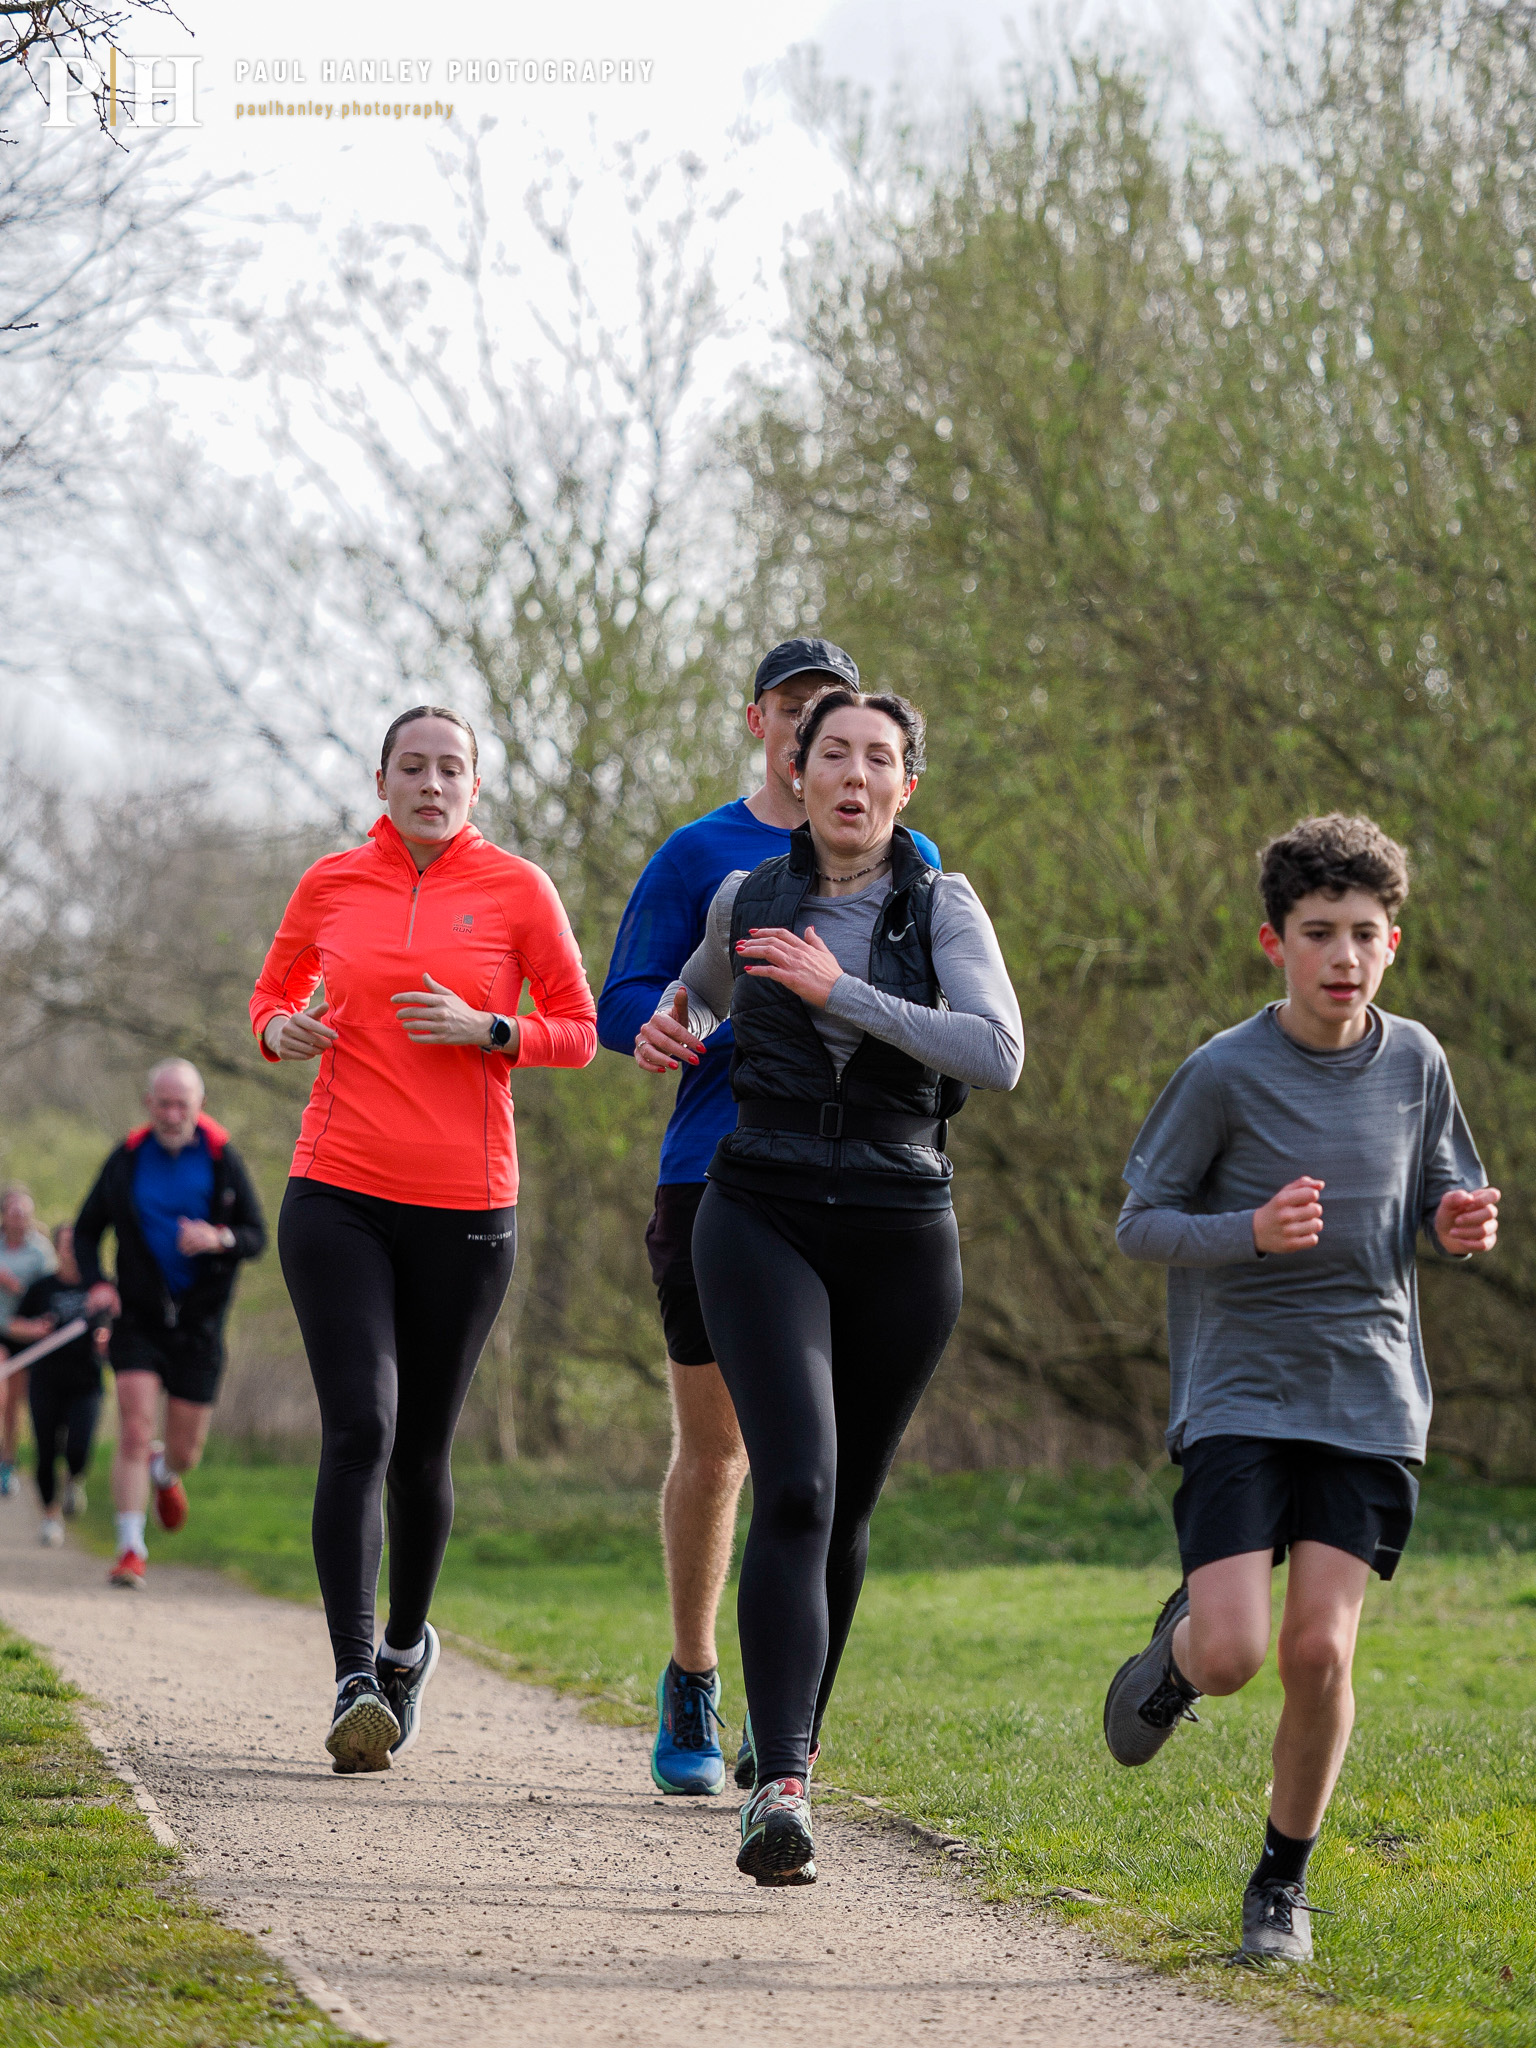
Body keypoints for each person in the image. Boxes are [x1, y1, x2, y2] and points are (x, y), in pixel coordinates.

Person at [635, 683, 1022, 1883]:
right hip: (761, 1208)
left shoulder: (941, 900)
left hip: (904, 1222)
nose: (853, 776)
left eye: (880, 759)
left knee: (844, 1507)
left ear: (909, 786)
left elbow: (997, 1051)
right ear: (794, 774)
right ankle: (785, 1784)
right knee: (794, 1481)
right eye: (832, 754)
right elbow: (698, 981)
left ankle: (786, 1735)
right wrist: (673, 1016)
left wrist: (835, 990)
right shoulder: (745, 893)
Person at [1103, 813, 1499, 1964]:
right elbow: (1141, 1225)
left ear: (1392, 944)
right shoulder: (1223, 1071)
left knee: (1320, 1653)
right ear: (1272, 943)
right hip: (1238, 1392)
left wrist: (1455, 1221)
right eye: (1317, 931)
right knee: (1234, 1652)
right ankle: (1176, 1656)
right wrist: (1252, 1234)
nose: (1341, 954)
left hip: (1372, 1396)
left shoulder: (1419, 1060)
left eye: (1363, 933)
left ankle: (1280, 1882)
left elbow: (1439, 1191)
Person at [599, 637, 942, 1798]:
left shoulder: (914, 862)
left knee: (817, 1473)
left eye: (844, 727)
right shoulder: (707, 856)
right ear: (765, 727)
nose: (823, 744)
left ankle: (782, 1728)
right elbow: (634, 993)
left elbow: (947, 1017)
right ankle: (695, 1670)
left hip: (865, 1189)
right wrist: (660, 1024)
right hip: (718, 1170)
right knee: (724, 1449)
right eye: (801, 717)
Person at [251, 704, 597, 1777]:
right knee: (361, 1422)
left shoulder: (518, 890)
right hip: (338, 1187)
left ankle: (406, 1647)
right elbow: (268, 995)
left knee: (423, 1448)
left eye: (452, 768)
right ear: (382, 777)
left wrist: (491, 1028)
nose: (432, 783)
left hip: (468, 1206)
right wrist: (278, 1028)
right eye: (413, 766)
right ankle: (355, 1675)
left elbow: (581, 1030)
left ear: (476, 786)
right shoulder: (330, 882)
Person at [75, 1060, 268, 1588]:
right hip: (136, 1318)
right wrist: (97, 1282)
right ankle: (130, 1548)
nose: (172, 1113)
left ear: (198, 1106)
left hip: (201, 1325)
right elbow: (87, 1230)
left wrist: (218, 1238)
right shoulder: (126, 1159)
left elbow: (256, 1235)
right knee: (134, 1427)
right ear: (149, 1104)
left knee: (186, 1450)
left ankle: (166, 1473)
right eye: (163, 1103)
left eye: (182, 1104)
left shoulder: (222, 1159)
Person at [6, 1224, 106, 1545]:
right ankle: (51, 1516)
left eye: (78, 1245)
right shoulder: (42, 1288)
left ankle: (74, 1478)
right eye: (67, 1245)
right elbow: (13, 1324)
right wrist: (34, 1330)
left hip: (86, 1383)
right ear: (58, 1249)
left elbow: (118, 1326)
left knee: (78, 1448)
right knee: (46, 1450)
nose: (72, 1251)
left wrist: (108, 1338)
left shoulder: (100, 1290)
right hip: (46, 1381)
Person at [0, 1184, 58, 1496]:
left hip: (25, 1336)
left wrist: (14, 1285)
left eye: (25, 1212)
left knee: (13, 1409)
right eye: (14, 1210)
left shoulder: (41, 1252)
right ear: (4, 1215)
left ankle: (6, 1463)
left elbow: (48, 1297)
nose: (19, 1217)